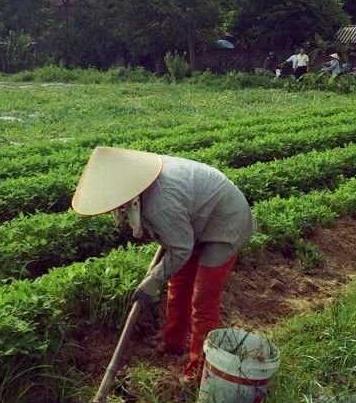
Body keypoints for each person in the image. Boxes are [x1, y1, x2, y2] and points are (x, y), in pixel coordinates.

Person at [71, 146, 254, 383]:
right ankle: (172, 344)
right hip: (195, 222)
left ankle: (197, 371)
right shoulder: (142, 186)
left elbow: (181, 248)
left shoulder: (161, 202)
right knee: (178, 286)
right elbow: (178, 242)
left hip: (226, 224)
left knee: (203, 299)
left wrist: (154, 279)